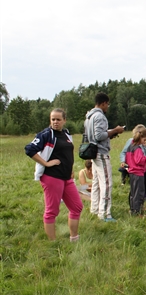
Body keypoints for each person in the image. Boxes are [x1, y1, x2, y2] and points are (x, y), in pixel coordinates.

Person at [24, 108, 82, 241]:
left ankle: (74, 237)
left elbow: (67, 154)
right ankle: (53, 243)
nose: (55, 122)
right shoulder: (46, 135)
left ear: (64, 120)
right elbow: (29, 149)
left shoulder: (66, 134)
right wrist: (46, 163)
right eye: (53, 119)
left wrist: (70, 169)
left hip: (67, 177)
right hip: (52, 177)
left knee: (77, 207)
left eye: (58, 119)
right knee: (52, 211)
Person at [85, 92, 124, 222]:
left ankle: (95, 209)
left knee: (96, 182)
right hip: (101, 153)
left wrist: (110, 133)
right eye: (107, 104)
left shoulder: (89, 117)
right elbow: (99, 136)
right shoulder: (100, 116)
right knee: (107, 184)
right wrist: (115, 131)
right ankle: (105, 214)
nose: (108, 106)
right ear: (103, 103)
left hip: (93, 153)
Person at [125, 126, 146, 215]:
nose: (144, 142)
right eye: (144, 140)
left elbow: (127, 159)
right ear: (141, 137)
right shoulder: (137, 148)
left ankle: (132, 208)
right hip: (138, 173)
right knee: (139, 193)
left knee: (133, 192)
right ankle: (137, 211)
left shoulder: (130, 146)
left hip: (132, 172)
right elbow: (139, 161)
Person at [119, 125, 146, 200]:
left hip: (143, 168)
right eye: (144, 139)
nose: (145, 141)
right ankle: (137, 204)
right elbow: (124, 152)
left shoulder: (143, 144)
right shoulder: (132, 142)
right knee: (137, 188)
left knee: (144, 186)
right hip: (136, 169)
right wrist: (123, 161)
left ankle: (142, 200)